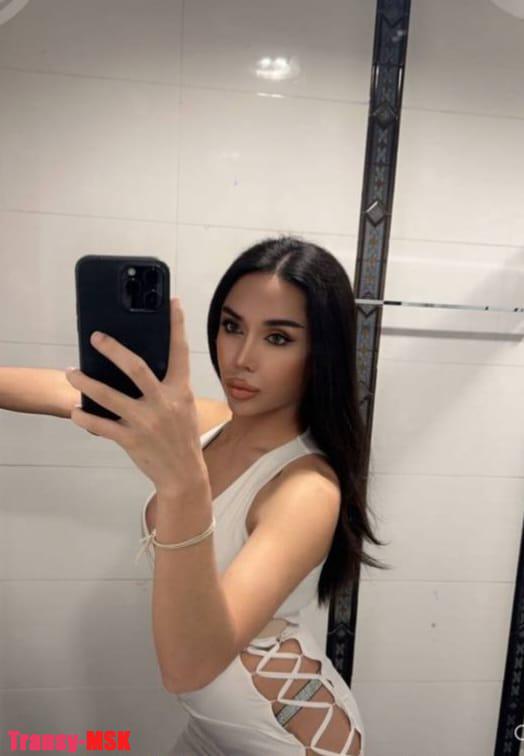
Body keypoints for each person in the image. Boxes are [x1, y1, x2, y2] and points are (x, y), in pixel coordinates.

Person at [1, 235, 389, 754]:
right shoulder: (210, 425)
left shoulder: (306, 490)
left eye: (278, 338)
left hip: (290, 738)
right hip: (214, 729)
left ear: (321, 354)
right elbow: (66, 392)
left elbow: (189, 667)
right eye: (232, 326)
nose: (241, 358)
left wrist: (181, 482)